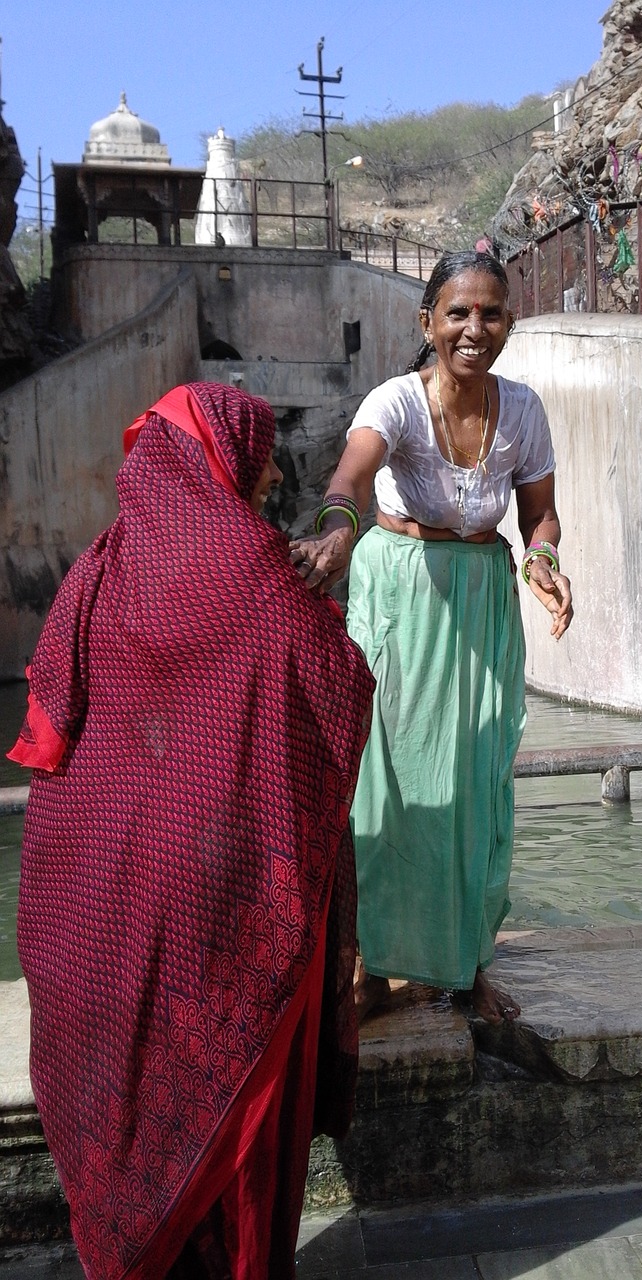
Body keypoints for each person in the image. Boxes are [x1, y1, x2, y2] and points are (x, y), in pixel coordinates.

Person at [8, 383, 374, 1280]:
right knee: (237, 1111)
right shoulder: (257, 568)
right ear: (235, 461)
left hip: (95, 896)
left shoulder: (102, 564)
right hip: (222, 887)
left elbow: (49, 728)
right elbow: (339, 686)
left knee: (134, 1107)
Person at [288, 250, 573, 1026]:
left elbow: (538, 513)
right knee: (394, 788)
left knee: (480, 788)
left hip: (483, 603)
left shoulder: (524, 411)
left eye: (490, 314)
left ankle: (467, 968)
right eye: (457, 313)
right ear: (428, 323)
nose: (473, 329)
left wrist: (543, 557)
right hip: (403, 597)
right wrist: (337, 536)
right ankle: (375, 970)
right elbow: (349, 479)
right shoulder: (397, 402)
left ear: (509, 325)